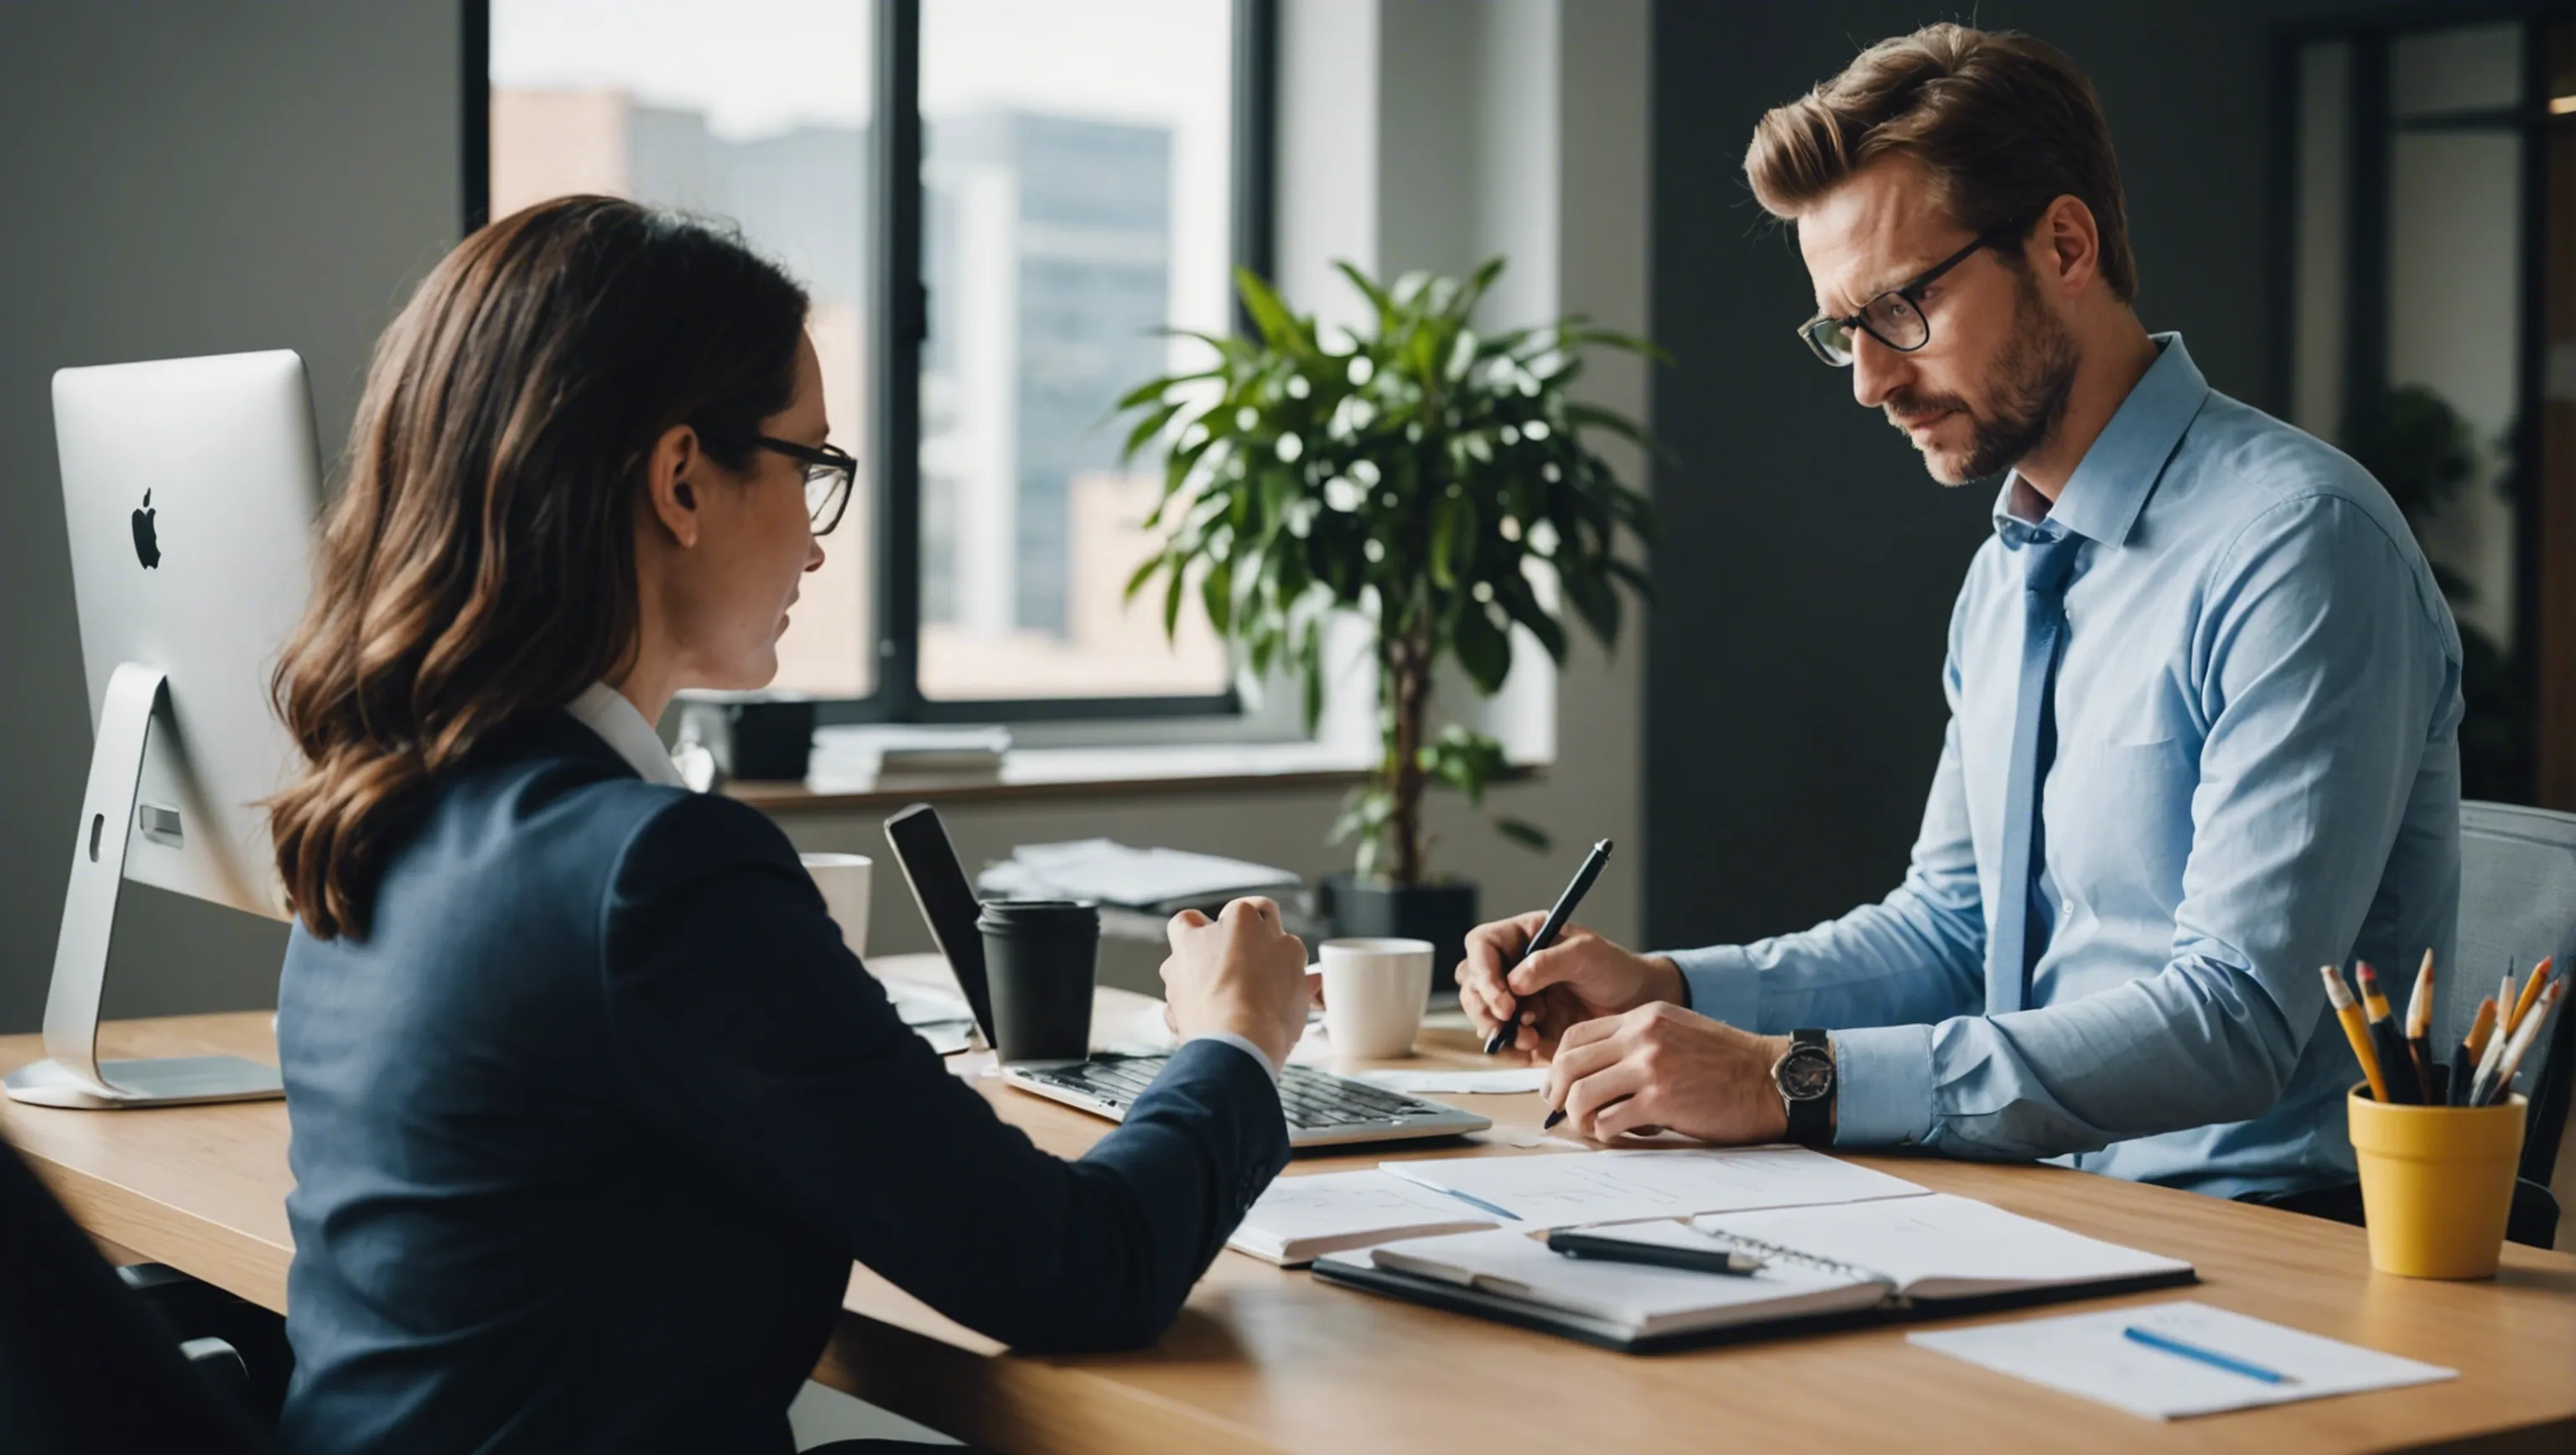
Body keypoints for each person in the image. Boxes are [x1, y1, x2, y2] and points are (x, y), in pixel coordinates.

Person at [265, 196, 1311, 1455]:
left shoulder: (377, 815)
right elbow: (1081, 1270)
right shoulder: (651, 875)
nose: (819, 544)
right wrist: (1236, 1040)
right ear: (682, 478)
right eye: (810, 463)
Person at [1459, 24, 2461, 1203]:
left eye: (1899, 310)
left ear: (2065, 243)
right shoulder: (2011, 571)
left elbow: (2233, 1018)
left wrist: (1793, 1079)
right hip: (2041, 1205)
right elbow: (1947, 934)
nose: (1871, 381)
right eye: (1843, 330)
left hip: (2266, 1245)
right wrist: (1666, 989)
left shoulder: (2298, 545)